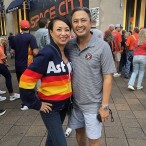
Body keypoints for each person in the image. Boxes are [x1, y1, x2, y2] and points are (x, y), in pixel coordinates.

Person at [19, 16, 72, 146]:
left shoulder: (67, 51)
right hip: (50, 108)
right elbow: (25, 81)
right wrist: (36, 104)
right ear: (51, 32)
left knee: (52, 139)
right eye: (59, 29)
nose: (63, 33)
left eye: (67, 29)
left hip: (65, 105)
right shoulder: (47, 53)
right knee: (60, 143)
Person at [67, 7, 116, 146]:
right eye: (75, 21)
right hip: (75, 104)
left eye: (83, 20)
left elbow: (108, 77)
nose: (79, 24)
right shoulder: (69, 45)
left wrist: (104, 106)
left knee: (94, 140)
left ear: (90, 22)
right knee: (79, 133)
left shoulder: (102, 46)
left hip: (93, 105)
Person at [11, 20, 38, 111]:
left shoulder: (15, 38)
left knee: (21, 84)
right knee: (29, 84)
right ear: (29, 27)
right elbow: (35, 52)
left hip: (18, 65)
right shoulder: (31, 37)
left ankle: (24, 103)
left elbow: (13, 51)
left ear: (21, 28)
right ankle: (28, 103)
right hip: (28, 65)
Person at [0, 37, 20, 101]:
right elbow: (3, 57)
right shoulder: (1, 47)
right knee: (8, 76)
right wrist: (5, 63)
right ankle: (12, 95)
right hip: (0, 64)